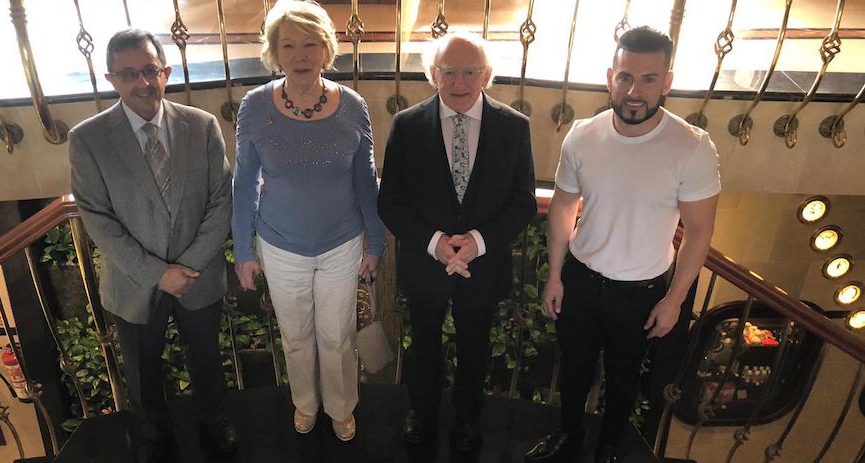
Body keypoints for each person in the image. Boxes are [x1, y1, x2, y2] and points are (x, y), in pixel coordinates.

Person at [525, 26, 720, 463]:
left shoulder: (692, 147)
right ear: (610, 76)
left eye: (649, 79)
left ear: (666, 82)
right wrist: (555, 275)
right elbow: (562, 208)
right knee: (573, 369)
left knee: (625, 379)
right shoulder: (582, 135)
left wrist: (674, 300)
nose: (635, 91)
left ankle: (609, 450)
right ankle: (569, 438)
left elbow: (699, 233)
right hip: (580, 277)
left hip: (641, 291)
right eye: (626, 77)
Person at [69, 28, 236, 463]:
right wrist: (158, 273)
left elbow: (222, 201)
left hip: (197, 278)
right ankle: (152, 436)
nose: (142, 83)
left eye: (149, 70)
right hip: (133, 283)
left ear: (166, 71)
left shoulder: (201, 126)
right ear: (111, 80)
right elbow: (97, 218)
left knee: (206, 359)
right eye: (128, 75)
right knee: (142, 372)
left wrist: (187, 267)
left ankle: (213, 422)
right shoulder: (87, 139)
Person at [231, 0, 385, 442]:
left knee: (337, 336)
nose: (300, 55)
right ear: (275, 52)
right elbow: (244, 184)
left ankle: (340, 408)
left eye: (311, 44)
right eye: (289, 45)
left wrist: (375, 243)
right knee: (296, 335)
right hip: (280, 245)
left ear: (326, 50)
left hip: (341, 242)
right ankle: (305, 404)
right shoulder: (254, 107)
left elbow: (365, 180)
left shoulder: (353, 106)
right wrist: (243, 250)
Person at [377, 32, 537, 453]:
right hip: (426, 265)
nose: (459, 82)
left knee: (475, 348)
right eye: (450, 71)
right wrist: (436, 243)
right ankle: (422, 414)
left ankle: (468, 418)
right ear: (434, 74)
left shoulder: (514, 127)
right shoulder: (407, 125)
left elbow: (523, 203)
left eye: (470, 71)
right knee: (424, 345)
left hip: (482, 266)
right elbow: (390, 202)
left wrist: (477, 242)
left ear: (486, 74)